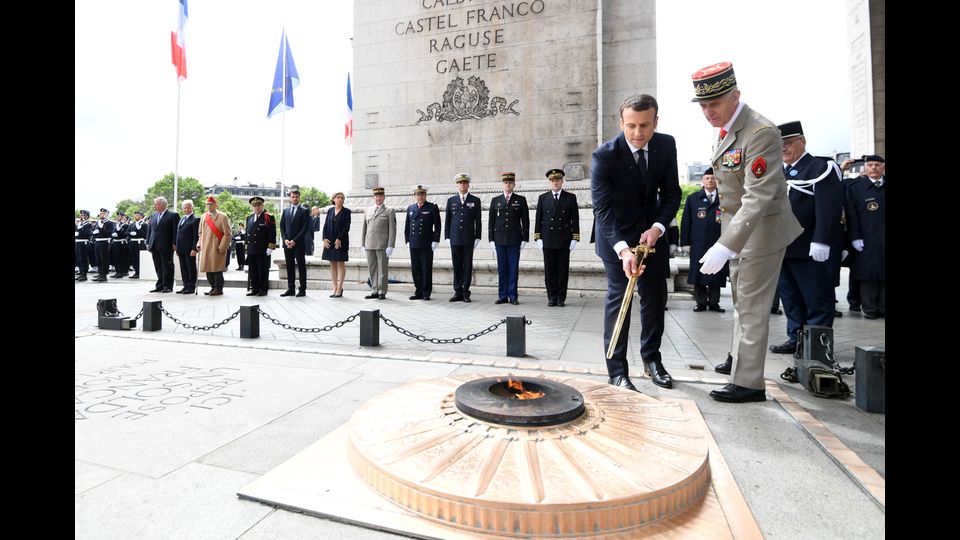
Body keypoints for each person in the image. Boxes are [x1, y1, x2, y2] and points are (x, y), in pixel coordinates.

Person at [691, 62, 803, 402]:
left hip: (762, 231)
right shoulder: (726, 129)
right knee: (742, 300)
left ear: (735, 96)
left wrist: (726, 245)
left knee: (752, 307)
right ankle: (740, 359)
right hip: (740, 230)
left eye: (715, 103)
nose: (708, 112)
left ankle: (749, 382)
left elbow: (758, 196)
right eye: (703, 105)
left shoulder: (760, 132)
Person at [591, 94, 681, 392]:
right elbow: (602, 210)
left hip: (652, 236)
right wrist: (622, 250)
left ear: (656, 122)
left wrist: (658, 227)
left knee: (655, 299)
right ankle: (617, 371)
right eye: (631, 126)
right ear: (621, 123)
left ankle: (652, 359)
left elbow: (672, 194)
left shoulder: (666, 145)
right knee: (621, 300)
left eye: (645, 125)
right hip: (615, 237)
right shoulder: (604, 156)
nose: (638, 133)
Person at [768, 121, 844, 354]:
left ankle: (818, 346)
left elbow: (829, 207)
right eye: (779, 144)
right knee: (791, 298)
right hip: (783, 246)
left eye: (789, 143)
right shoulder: (779, 171)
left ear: (802, 141)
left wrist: (821, 240)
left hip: (811, 247)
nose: (783, 148)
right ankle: (796, 339)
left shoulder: (821, 167)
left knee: (817, 299)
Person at [680, 167, 728, 312]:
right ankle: (700, 302)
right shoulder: (693, 199)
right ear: (703, 180)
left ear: (717, 181)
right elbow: (686, 222)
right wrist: (685, 243)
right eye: (707, 178)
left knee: (717, 271)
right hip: (698, 243)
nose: (710, 180)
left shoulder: (724, 198)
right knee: (699, 272)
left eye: (713, 178)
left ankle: (714, 302)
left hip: (718, 242)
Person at [845, 154, 885, 318]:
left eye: (877, 165)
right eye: (870, 165)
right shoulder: (856, 187)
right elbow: (851, 215)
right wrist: (855, 237)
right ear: (865, 168)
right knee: (868, 273)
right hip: (866, 237)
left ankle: (883, 307)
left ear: (883, 167)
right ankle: (870, 308)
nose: (874, 168)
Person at [535, 168, 580, 307]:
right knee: (550, 270)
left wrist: (575, 238)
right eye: (552, 180)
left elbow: (575, 219)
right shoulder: (543, 198)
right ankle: (551, 297)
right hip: (548, 239)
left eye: (558, 180)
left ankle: (561, 298)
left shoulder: (570, 197)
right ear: (550, 182)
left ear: (562, 181)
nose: (555, 183)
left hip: (564, 239)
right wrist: (538, 237)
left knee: (562, 270)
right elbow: (538, 219)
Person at [488, 172, 530, 305]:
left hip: (514, 240)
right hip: (499, 240)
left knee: (513, 269)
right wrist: (491, 239)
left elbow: (526, 220)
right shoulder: (495, 200)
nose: (508, 185)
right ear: (502, 185)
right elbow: (491, 222)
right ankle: (502, 296)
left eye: (510, 183)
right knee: (502, 269)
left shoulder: (520, 200)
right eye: (506, 183)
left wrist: (525, 239)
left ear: (514, 185)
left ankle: (513, 296)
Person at [445, 173, 483, 303]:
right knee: (456, 265)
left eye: (465, 183)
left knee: (467, 266)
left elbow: (478, 220)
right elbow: (448, 221)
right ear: (457, 185)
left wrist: (478, 236)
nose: (462, 185)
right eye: (460, 183)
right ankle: (457, 291)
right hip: (455, 238)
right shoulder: (451, 200)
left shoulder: (475, 200)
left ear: (468, 185)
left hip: (468, 238)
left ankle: (466, 292)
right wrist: (447, 236)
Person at [404, 184, 441, 300]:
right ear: (415, 196)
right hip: (414, 243)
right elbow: (407, 226)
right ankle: (418, 291)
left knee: (426, 268)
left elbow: (438, 225)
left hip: (426, 243)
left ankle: (426, 292)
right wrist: (407, 240)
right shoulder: (410, 208)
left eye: (422, 194)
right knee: (415, 269)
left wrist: (435, 240)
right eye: (418, 195)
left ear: (425, 195)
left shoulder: (432, 207)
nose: (420, 197)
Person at [361, 187, 397, 300]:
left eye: (380, 196)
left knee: (382, 269)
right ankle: (374, 290)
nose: (378, 198)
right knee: (372, 268)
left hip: (383, 244)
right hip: (369, 243)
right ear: (373, 197)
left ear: (384, 197)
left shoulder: (389, 211)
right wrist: (362, 243)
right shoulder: (368, 210)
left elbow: (392, 230)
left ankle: (382, 291)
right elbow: (364, 228)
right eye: (376, 196)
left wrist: (390, 245)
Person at [196, 196, 232, 296]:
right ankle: (212, 287)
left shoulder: (222, 216)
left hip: (217, 247)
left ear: (216, 205)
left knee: (216, 270)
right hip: (206, 247)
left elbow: (228, 234)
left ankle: (218, 288)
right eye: (207, 204)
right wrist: (199, 243)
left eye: (211, 204)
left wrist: (222, 247)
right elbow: (200, 233)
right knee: (208, 269)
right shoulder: (204, 216)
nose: (209, 206)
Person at [280, 186, 310, 297]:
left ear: (299, 197)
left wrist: (294, 240)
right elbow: (282, 227)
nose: (295, 198)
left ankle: (302, 289)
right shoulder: (286, 211)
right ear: (290, 198)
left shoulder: (304, 211)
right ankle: (291, 289)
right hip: (287, 244)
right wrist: (285, 240)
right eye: (293, 197)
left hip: (299, 244)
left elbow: (304, 228)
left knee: (301, 266)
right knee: (290, 266)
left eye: (297, 196)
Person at [146, 197, 179, 293]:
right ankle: (160, 285)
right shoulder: (153, 215)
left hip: (166, 245)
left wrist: (174, 243)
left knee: (167, 266)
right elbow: (150, 230)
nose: (155, 206)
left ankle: (168, 286)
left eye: (156, 204)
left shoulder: (173, 215)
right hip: (154, 244)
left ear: (163, 205)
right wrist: (148, 243)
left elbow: (175, 231)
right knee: (158, 266)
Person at [245, 196, 276, 296]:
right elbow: (248, 234)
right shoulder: (249, 218)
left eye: (258, 205)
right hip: (252, 249)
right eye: (254, 206)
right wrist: (247, 247)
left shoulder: (268, 217)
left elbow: (272, 233)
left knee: (262, 270)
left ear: (262, 206)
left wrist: (271, 247)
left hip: (263, 249)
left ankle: (263, 289)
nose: (256, 207)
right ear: (252, 207)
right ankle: (254, 289)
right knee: (253, 270)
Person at [322, 192, 351, 297]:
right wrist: (324, 239)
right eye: (338, 197)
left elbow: (346, 227)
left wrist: (339, 238)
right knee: (332, 263)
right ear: (333, 199)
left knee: (340, 263)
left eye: (342, 198)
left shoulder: (347, 212)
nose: (340, 199)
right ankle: (334, 288)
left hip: (341, 241)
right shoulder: (330, 211)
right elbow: (325, 225)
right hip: (330, 241)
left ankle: (340, 288)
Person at [175, 200, 200, 295]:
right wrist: (177, 248)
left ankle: (191, 287)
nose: (186, 209)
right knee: (183, 268)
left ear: (192, 208)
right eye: (185, 207)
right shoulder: (182, 219)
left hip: (190, 249)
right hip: (181, 248)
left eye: (188, 207)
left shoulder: (195, 219)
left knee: (191, 268)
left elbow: (195, 236)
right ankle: (185, 285)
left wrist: (194, 249)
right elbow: (178, 234)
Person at [91, 208, 115, 282]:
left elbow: (110, 232)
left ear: (106, 214)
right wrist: (93, 233)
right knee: (98, 259)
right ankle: (100, 273)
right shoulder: (97, 222)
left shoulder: (110, 223)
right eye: (100, 213)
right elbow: (93, 231)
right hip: (97, 242)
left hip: (104, 242)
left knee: (103, 259)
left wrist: (101, 229)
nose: (101, 215)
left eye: (103, 213)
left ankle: (104, 275)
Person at [127, 210, 148, 279]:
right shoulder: (132, 224)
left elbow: (145, 234)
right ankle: (136, 271)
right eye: (135, 215)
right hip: (132, 242)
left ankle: (140, 272)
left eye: (137, 215)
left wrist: (138, 233)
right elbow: (126, 232)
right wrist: (130, 233)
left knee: (139, 258)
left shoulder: (144, 224)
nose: (135, 216)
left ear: (141, 216)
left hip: (140, 242)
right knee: (133, 258)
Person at [109, 212, 129, 278]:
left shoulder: (125, 225)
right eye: (118, 216)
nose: (118, 217)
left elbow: (125, 233)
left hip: (121, 243)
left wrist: (118, 235)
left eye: (120, 216)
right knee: (116, 258)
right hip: (115, 242)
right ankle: (117, 271)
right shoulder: (116, 224)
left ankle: (122, 272)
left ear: (123, 217)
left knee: (121, 258)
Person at [75, 210, 92, 282]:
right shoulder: (80, 223)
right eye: (81, 215)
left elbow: (87, 234)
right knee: (79, 259)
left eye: (83, 215)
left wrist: (79, 233)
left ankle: (84, 274)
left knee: (83, 259)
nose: (82, 216)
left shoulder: (88, 224)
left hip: (83, 242)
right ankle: (81, 273)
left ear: (87, 216)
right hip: (78, 242)